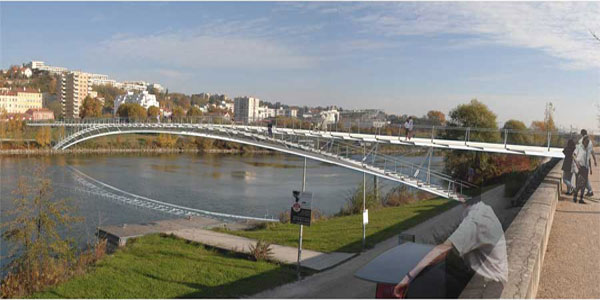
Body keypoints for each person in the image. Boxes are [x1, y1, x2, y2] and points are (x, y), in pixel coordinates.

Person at [394, 198, 507, 298]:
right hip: (482, 277)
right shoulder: (481, 209)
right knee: (437, 273)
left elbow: (443, 250)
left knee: (426, 280)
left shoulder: (476, 220)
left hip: (489, 284)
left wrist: (408, 277)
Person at [573, 136, 592, 204]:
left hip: (586, 168)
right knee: (579, 183)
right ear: (583, 141)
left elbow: (589, 158)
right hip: (580, 167)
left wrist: (591, 168)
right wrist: (577, 163)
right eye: (586, 141)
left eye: (588, 142)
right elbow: (574, 155)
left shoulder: (588, 149)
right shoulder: (578, 147)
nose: (587, 143)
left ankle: (581, 199)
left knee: (584, 184)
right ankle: (575, 196)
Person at [578, 129, 597, 196]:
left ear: (581, 134)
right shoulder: (590, 142)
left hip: (581, 162)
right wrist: (595, 160)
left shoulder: (581, 141)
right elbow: (592, 152)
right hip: (587, 163)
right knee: (584, 177)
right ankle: (589, 190)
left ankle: (589, 190)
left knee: (582, 177)